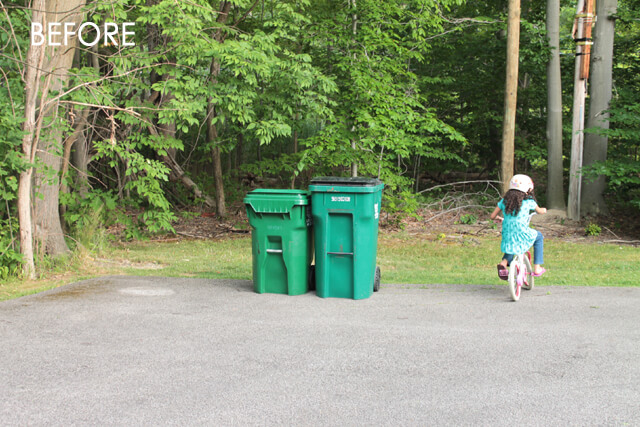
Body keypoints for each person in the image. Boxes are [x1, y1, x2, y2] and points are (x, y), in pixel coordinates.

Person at [490, 174, 547, 279]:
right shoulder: (529, 202)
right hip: (521, 231)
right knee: (538, 237)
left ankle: (503, 263)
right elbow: (540, 211)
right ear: (527, 189)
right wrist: (543, 210)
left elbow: (492, 216)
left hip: (507, 232)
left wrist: (499, 218)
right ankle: (537, 267)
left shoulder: (504, 201)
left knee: (512, 243)